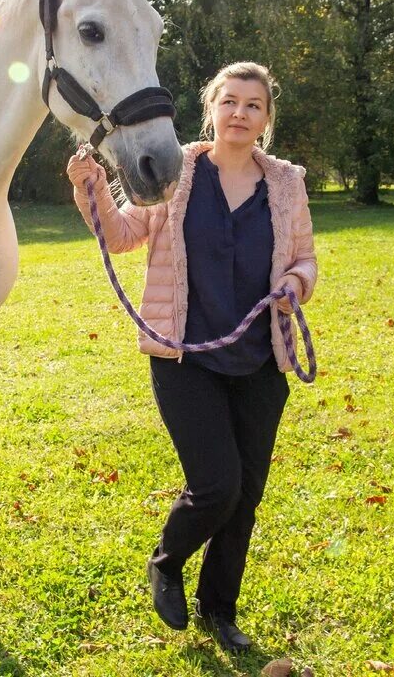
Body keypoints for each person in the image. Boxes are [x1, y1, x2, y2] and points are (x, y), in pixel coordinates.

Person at [67, 62, 318, 654]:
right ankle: (168, 561)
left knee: (245, 495)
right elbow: (124, 233)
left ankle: (219, 610)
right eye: (230, 101)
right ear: (211, 108)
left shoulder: (285, 183)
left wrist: (295, 285)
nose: (240, 113)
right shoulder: (175, 172)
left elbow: (305, 258)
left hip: (259, 360)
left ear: (265, 119)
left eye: (253, 105)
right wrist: (93, 187)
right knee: (216, 484)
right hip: (185, 358)